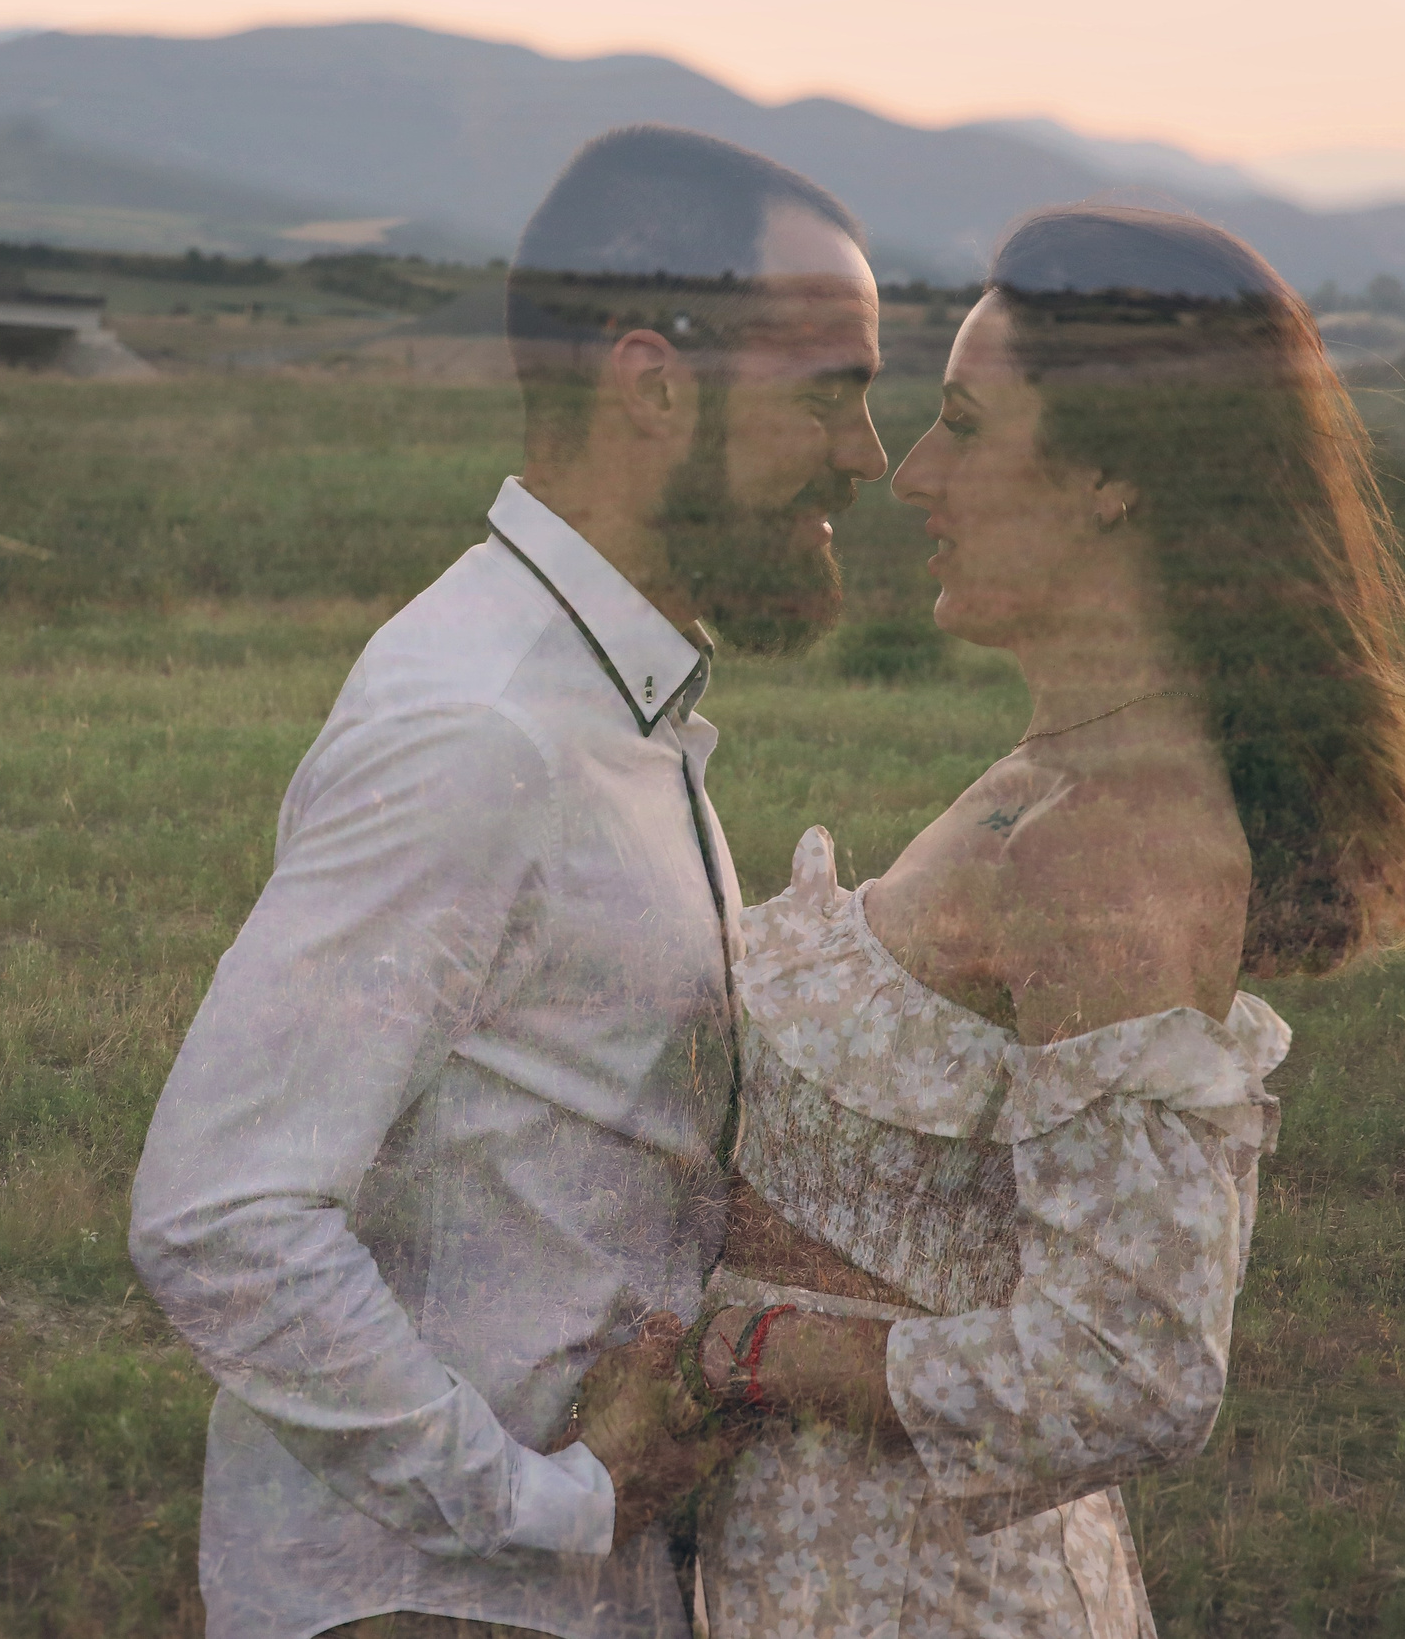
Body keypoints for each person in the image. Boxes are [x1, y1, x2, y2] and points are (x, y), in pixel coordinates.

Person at [584, 205, 1405, 1637]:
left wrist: (756, 1352)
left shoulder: (1115, 849)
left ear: (1116, 472)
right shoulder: (1048, 784)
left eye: (964, 427)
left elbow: (1132, 1369)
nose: (914, 475)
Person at [128, 125, 889, 1639]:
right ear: (654, 382)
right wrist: (540, 1508)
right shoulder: (479, 730)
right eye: (834, 390)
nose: (866, 455)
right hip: (430, 1608)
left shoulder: (605, 709)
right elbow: (220, 1216)